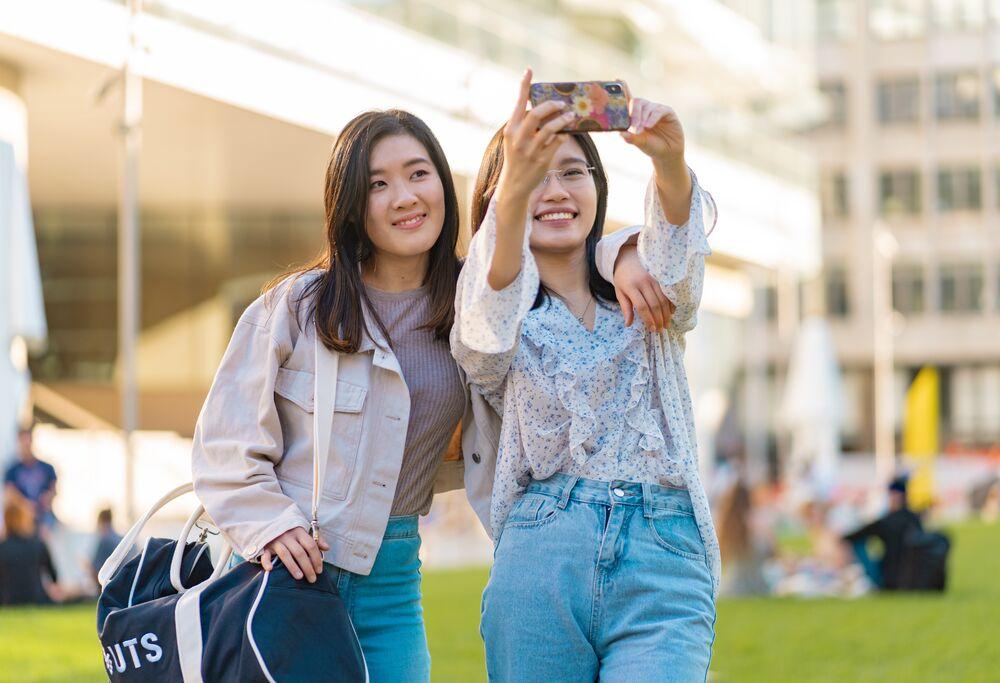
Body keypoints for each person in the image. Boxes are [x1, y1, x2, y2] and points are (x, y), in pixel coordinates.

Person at [191, 108, 668, 682]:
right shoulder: (298, 307)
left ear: (444, 185)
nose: (403, 197)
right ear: (350, 204)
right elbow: (224, 444)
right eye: (377, 184)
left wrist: (621, 250)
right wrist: (272, 524)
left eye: (419, 174)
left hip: (393, 582)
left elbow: (560, 250)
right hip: (287, 575)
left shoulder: (477, 309)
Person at [452, 70, 719, 681]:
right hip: (542, 557)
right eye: (534, 173)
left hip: (663, 554)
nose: (557, 190)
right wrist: (513, 190)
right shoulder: (503, 316)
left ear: (597, 185)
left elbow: (679, 271)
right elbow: (483, 325)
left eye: (572, 171)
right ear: (504, 196)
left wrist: (670, 164)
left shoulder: (642, 288)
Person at [843, 475, 923, 590]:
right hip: (913, 577)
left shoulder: (887, 521)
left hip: (889, 578)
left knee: (859, 545)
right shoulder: (913, 518)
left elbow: (854, 536)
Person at [0, 499, 59, 605]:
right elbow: (54, 576)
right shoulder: (39, 544)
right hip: (37, 599)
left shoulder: (2, 547)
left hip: (7, 601)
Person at [3, 426, 58, 534]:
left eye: (27, 443)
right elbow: (9, 493)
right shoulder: (12, 470)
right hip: (21, 519)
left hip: (43, 516)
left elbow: (54, 490)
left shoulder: (47, 468)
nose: (25, 447)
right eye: (22, 444)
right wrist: (26, 505)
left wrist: (46, 498)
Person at [91, 508, 123, 583]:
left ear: (100, 521)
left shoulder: (105, 540)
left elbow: (97, 573)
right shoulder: (121, 539)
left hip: (110, 587)